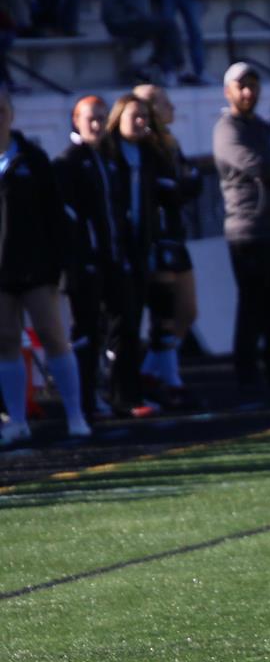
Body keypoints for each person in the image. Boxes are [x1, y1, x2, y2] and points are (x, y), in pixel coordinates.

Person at [0, 86, 85, 445]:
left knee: (53, 336)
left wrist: (60, 263)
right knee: (5, 341)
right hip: (1, 271)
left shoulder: (32, 158)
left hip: (36, 265)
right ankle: (17, 420)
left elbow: (55, 215)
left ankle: (75, 415)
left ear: (11, 113)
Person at [213, 61, 270, 396]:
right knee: (253, 304)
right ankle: (247, 375)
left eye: (253, 85)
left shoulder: (265, 128)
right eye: (241, 86)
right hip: (249, 229)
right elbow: (258, 164)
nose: (248, 92)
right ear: (229, 91)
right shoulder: (227, 129)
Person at [133, 82, 204, 407]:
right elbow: (172, 190)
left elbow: (189, 183)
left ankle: (150, 371)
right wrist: (184, 184)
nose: (170, 107)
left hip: (176, 233)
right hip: (156, 236)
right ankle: (170, 380)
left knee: (187, 311)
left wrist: (185, 184)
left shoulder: (170, 145)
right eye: (162, 102)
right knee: (163, 311)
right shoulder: (144, 150)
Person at [100, 92, 164, 417]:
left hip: (140, 247)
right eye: (134, 117)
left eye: (144, 118)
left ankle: (132, 391)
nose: (141, 123)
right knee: (120, 326)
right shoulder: (108, 152)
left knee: (135, 321)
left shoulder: (147, 153)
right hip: (115, 251)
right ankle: (119, 394)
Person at [54, 95, 117, 417]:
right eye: (90, 118)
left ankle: (101, 393)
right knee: (85, 332)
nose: (96, 124)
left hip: (102, 259)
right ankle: (83, 400)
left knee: (103, 329)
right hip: (82, 265)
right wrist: (80, 260)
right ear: (75, 121)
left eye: (101, 118)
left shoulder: (100, 158)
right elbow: (67, 220)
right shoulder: (68, 162)